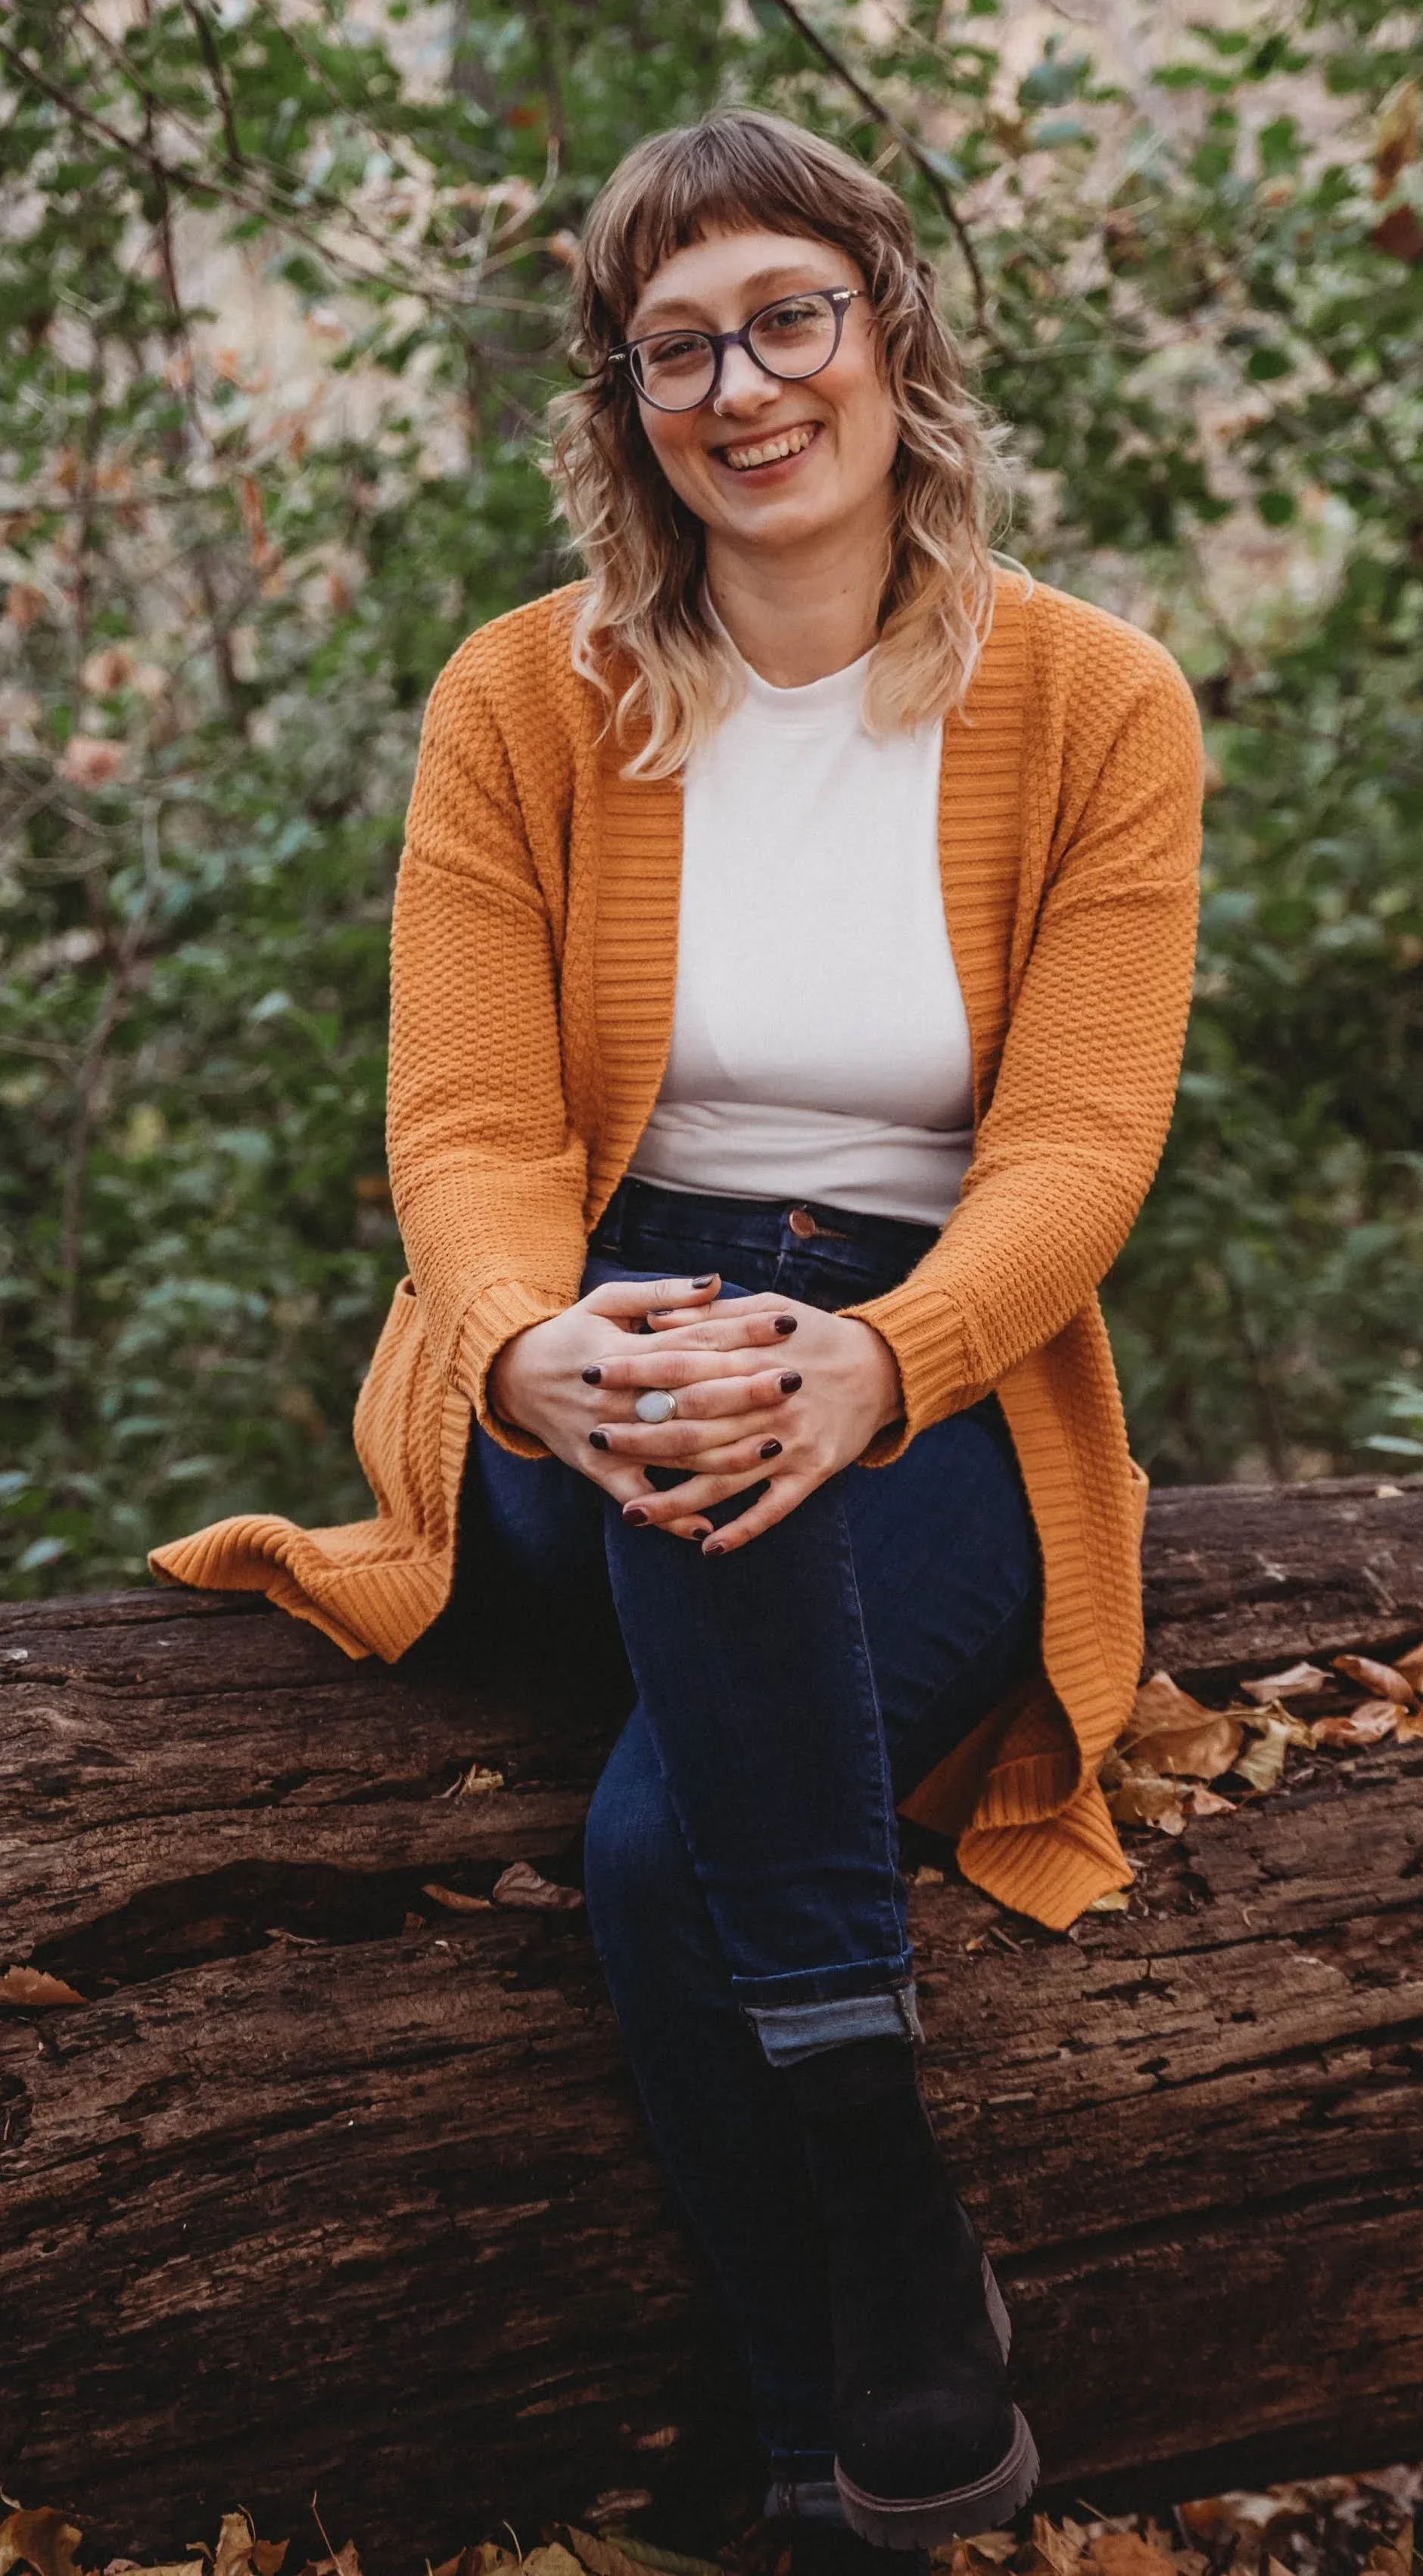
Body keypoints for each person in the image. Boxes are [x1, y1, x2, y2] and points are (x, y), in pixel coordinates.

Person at [153, 104, 1203, 2559]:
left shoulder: (1091, 703)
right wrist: (526, 1345)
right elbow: (468, 1129)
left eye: (785, 322)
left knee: (657, 1852)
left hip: (933, 1364)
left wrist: (886, 1359)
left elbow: (1076, 1143)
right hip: (574, 1335)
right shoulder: (527, 700)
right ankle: (874, 2146)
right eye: (672, 351)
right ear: (622, 406)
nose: (740, 389)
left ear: (889, 338)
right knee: (690, 1383)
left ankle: (810, 2463)